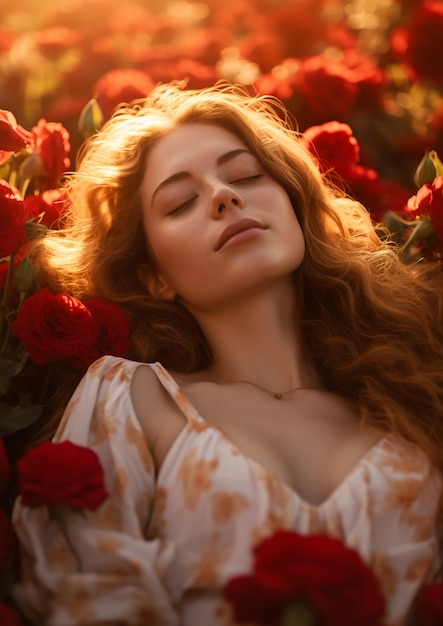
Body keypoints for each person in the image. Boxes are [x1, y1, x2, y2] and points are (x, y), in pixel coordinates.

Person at [11, 81, 443, 626]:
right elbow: (89, 593)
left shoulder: (415, 394)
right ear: (156, 277)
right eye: (180, 202)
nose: (223, 195)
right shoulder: (134, 397)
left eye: (245, 175)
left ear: (294, 203)